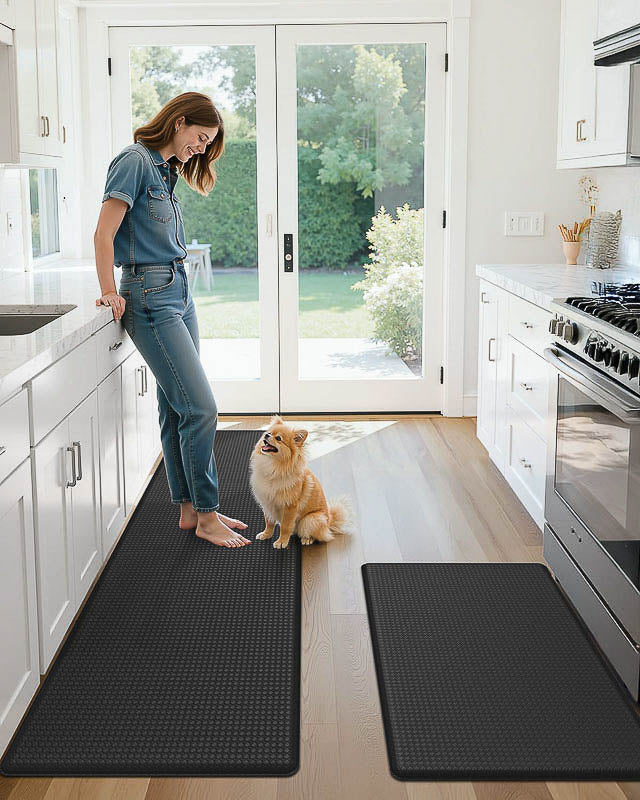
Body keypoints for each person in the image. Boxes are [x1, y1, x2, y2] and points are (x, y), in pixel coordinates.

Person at [94, 92, 250, 549]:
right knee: (202, 409)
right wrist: (107, 290)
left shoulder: (166, 170)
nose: (201, 148)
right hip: (148, 297)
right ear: (179, 121)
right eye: (200, 137)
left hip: (179, 292)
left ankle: (189, 510)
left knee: (175, 405)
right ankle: (206, 513)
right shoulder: (134, 161)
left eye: (207, 143)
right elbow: (105, 232)